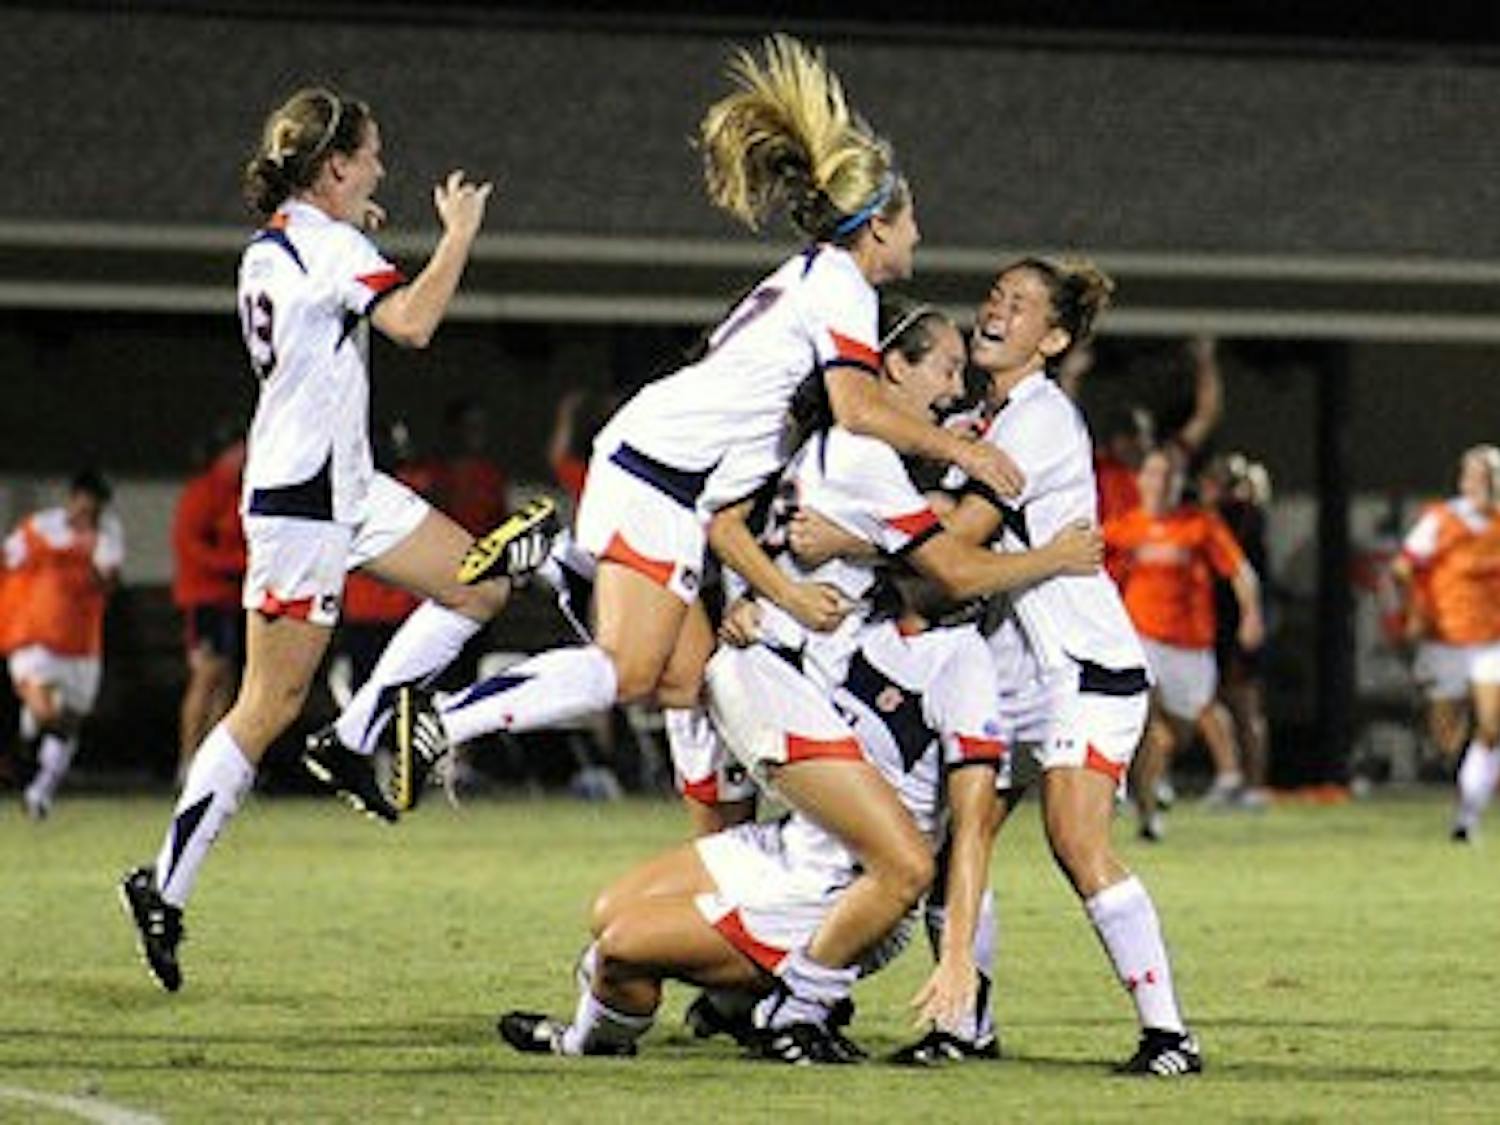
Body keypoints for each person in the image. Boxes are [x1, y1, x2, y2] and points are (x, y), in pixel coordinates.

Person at [396, 37, 1020, 806]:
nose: (920, 232)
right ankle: (443, 717)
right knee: (627, 671)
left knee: (689, 681)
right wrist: (961, 446)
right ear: (877, 226)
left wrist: (783, 598)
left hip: (662, 468)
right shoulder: (841, 289)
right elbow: (860, 411)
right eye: (912, 216)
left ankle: (552, 565)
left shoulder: (812, 281)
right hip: (661, 472)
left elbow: (733, 505)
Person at [118, 85, 553, 993]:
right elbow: (415, 323)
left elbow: (338, 299)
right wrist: (458, 235)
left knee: (481, 587)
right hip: (303, 503)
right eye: (371, 155)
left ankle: (358, 735)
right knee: (268, 702)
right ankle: (163, 882)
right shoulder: (330, 245)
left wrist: (355, 231)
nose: (383, 168)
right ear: (335, 166)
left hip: (343, 484)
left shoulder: (278, 243)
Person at [497, 608, 1005, 1065]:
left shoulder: (961, 659)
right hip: (789, 844)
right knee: (607, 912)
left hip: (845, 894)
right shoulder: (850, 613)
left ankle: (796, 1004)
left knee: (621, 948)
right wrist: (749, 609)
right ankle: (726, 1004)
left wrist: (958, 955)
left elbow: (973, 827)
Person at [932, 257, 1202, 1076]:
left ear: (1050, 338)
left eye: (1018, 304)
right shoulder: (986, 417)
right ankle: (964, 1023)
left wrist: (851, 520)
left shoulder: (1039, 418)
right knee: (954, 847)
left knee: (1075, 840)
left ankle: (1169, 1035)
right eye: (993, 295)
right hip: (1012, 668)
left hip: (1082, 663)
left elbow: (955, 542)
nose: (994, 309)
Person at [1105, 447, 1266, 836]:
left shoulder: (1200, 525)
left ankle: (1157, 789)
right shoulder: (1123, 527)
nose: (1162, 483)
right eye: (1155, 474)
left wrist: (1250, 613)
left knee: (1173, 734)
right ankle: (1142, 805)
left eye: (1170, 475)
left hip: (1190, 646)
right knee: (1142, 720)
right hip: (1141, 639)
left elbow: (1240, 573)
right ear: (1141, 480)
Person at [1391, 444, 1500, 841]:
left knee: (1491, 725)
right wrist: (1417, 611)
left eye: (1488, 476)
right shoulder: (1442, 520)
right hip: (1446, 640)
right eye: (1475, 475)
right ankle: (1468, 792)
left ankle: (1468, 818)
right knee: (1446, 739)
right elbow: (1403, 567)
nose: (1482, 483)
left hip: (1491, 641)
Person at [0, 470, 123, 820]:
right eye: (85, 502)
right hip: (34, 634)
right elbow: (8, 559)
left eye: (96, 506)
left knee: (68, 721)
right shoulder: (39, 527)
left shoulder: (107, 534)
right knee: (45, 711)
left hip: (81, 643)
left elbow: (107, 579)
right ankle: (24, 754)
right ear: (73, 499)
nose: (89, 511)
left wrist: (90, 549)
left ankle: (40, 791)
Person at [170, 431, 248, 782]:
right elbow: (191, 547)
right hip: (205, 599)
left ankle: (216, 766)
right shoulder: (202, 493)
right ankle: (188, 760)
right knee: (206, 676)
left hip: (233, 600)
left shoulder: (241, 492)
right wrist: (239, 562)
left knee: (227, 681)